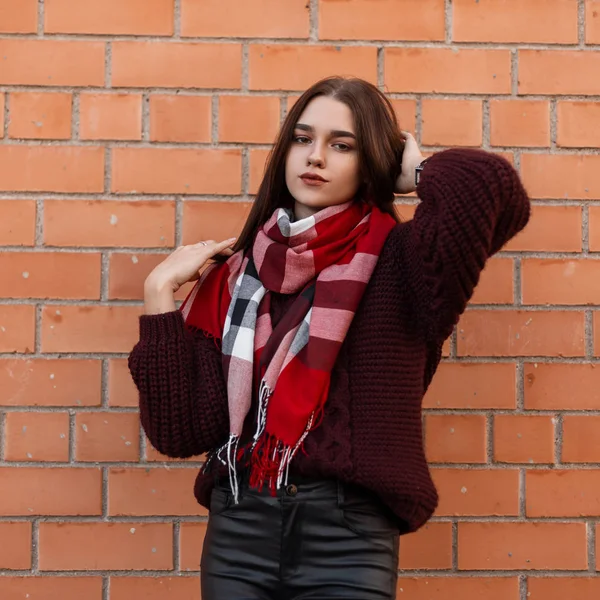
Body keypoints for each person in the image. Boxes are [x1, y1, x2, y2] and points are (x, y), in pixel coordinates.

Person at [128, 76, 530, 599]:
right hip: (238, 529)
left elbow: (493, 189)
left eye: (342, 145)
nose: (315, 157)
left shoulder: (405, 264)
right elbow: (179, 432)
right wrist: (159, 296)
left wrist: (415, 172)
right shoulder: (233, 277)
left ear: (372, 163)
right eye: (302, 139)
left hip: (348, 536)